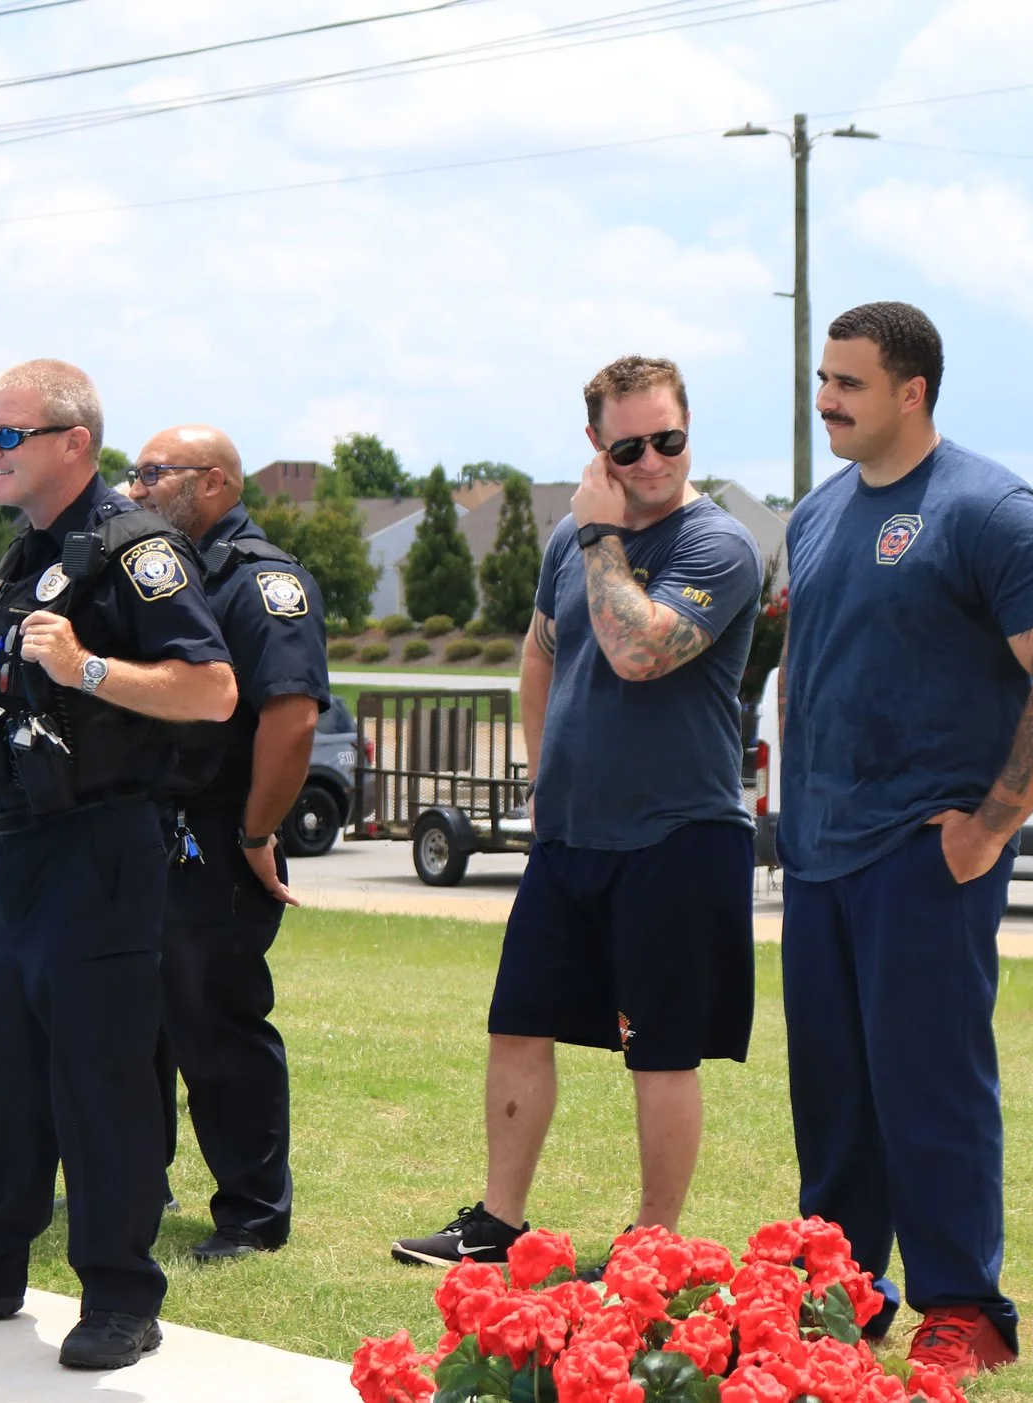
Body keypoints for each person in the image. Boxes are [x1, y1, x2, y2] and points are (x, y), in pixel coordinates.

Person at [0, 360, 237, 1372]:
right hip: (13, 850)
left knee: (100, 1077)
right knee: (2, 1063)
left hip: (100, 849)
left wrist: (87, 666)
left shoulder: (137, 551)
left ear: (75, 442)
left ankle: (120, 1294)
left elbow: (211, 689)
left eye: (6, 434)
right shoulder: (22, 556)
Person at [777, 303, 1033, 1383]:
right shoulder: (816, 515)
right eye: (823, 379)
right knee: (833, 1100)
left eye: (849, 383)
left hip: (923, 859)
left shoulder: (987, 508)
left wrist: (989, 825)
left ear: (911, 391)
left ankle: (967, 1308)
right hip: (818, 857)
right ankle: (840, 1299)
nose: (825, 400)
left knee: (931, 1090)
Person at [392, 354, 762, 1268]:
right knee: (517, 1022)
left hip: (679, 833)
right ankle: (498, 1222)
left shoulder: (718, 545)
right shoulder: (569, 540)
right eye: (628, 447)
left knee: (659, 1049)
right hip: (570, 834)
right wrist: (542, 768)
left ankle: (651, 1244)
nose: (651, 461)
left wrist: (601, 535)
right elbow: (540, 650)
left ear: (689, 431)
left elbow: (640, 650)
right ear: (596, 443)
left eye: (668, 440)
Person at [123, 423, 327, 1263]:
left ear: (212, 483)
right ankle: (138, 1180)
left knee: (215, 1020)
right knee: (139, 1017)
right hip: (148, 825)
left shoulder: (262, 581)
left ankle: (251, 1212)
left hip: (216, 829)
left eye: (152, 473)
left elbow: (292, 717)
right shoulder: (163, 572)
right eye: (132, 472)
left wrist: (255, 830)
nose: (135, 488)